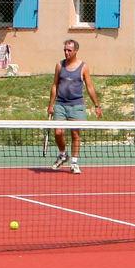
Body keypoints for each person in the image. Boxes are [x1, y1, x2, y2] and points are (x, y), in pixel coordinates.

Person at [49, 39, 102, 172]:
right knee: (58, 132)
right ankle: (62, 155)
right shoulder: (59, 65)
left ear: (75, 51)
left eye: (69, 50)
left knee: (75, 134)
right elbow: (55, 85)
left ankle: (74, 162)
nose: (66, 52)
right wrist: (51, 104)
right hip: (60, 104)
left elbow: (89, 87)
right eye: (65, 50)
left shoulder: (83, 66)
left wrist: (97, 105)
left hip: (77, 105)